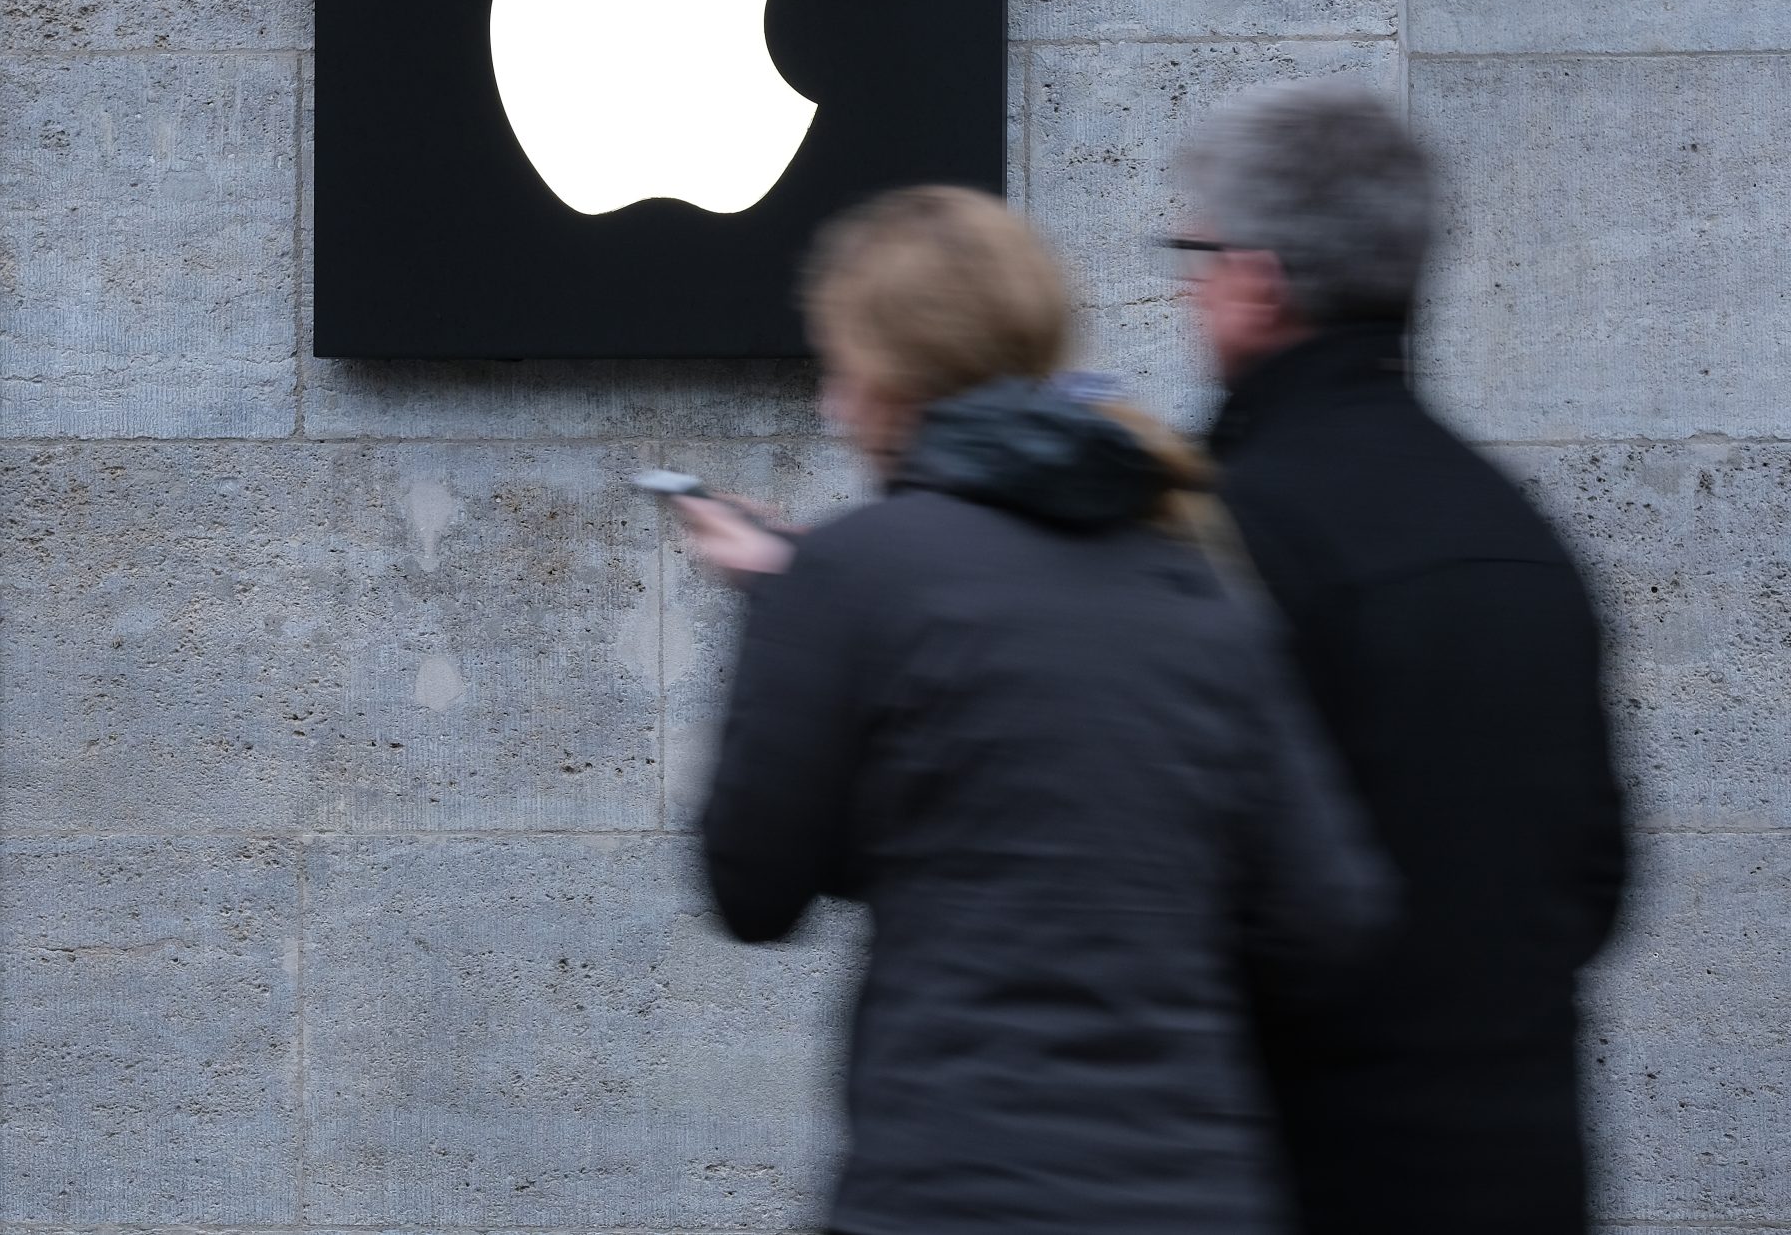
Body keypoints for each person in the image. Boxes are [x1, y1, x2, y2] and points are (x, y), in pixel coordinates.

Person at [678, 186, 1392, 1235]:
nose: (832, 405)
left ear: (881, 376)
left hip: (948, 1193)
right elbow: (1331, 917)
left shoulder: (846, 579)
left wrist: (795, 625)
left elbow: (753, 889)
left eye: (837, 367)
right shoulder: (1195, 587)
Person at [1172, 80, 1629, 1235]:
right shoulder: (1519, 537)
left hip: (1292, 1176)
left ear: (1255, 283)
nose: (1186, 284)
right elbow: (1597, 885)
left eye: (1194, 253)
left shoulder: (1224, 533)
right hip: (1521, 1176)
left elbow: (1172, 892)